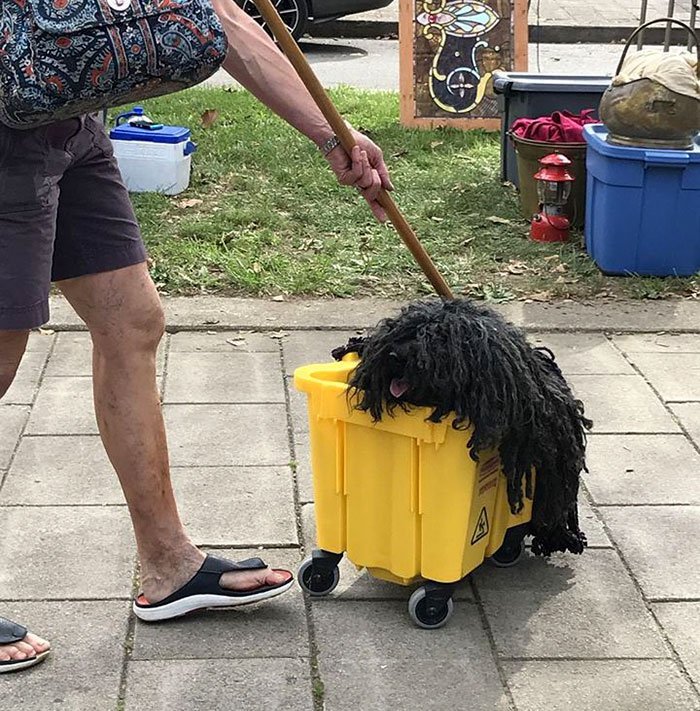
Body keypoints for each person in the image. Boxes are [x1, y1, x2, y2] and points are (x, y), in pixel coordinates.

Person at [0, 0, 392, 667]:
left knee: (130, 320)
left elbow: (221, 18)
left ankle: (168, 563)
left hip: (66, 112)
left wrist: (333, 135)